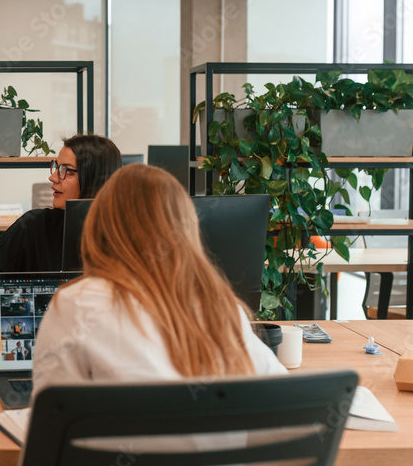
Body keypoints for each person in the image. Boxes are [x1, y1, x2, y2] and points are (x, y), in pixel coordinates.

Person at [33, 163, 286, 390]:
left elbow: (51, 424)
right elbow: (288, 404)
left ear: (101, 226)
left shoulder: (74, 306)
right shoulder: (223, 311)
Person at [0, 133, 122, 338]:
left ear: (94, 179)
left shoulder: (123, 238)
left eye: (67, 171)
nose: (53, 177)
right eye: (56, 167)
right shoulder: (32, 226)